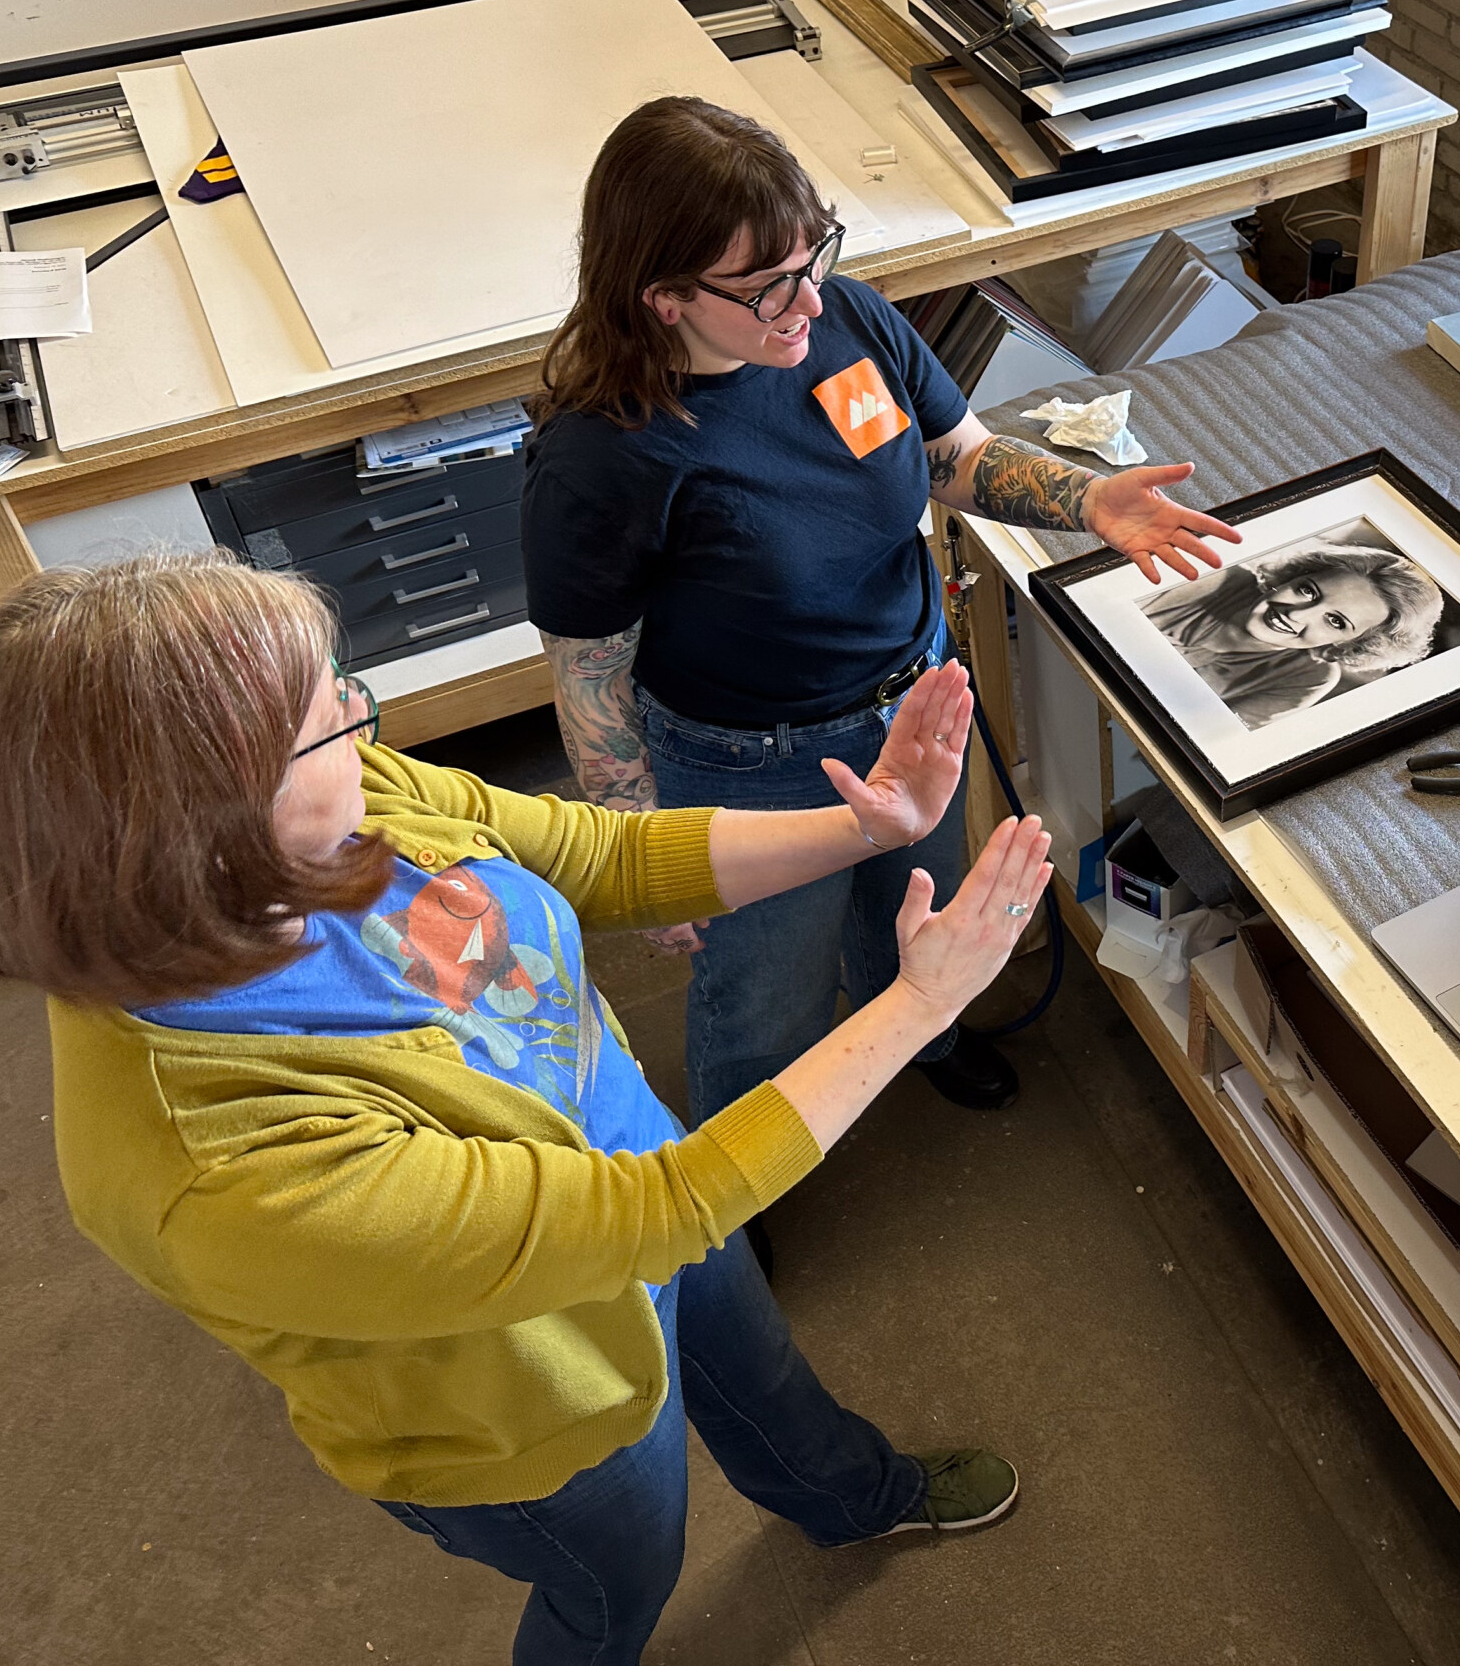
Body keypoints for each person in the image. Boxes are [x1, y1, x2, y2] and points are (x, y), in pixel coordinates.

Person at [0, 553, 1055, 1666]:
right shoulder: (210, 1160)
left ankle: (852, 1497)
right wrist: (917, 1005)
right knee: (618, 1585)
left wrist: (871, 824)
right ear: (199, 821)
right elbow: (663, 1211)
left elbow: (585, 855)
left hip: (634, 1164)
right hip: (531, 1409)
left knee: (762, 1378)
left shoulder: (345, 808)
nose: (365, 723)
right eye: (327, 719)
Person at [523, 96, 1242, 1128]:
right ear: (664, 296)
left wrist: (1085, 499)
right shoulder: (603, 453)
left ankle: (924, 1041)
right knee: (765, 994)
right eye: (768, 287)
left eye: (814, 256)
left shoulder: (848, 319)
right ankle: (733, 1186)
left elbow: (957, 459)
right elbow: (589, 670)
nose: (808, 304)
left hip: (915, 711)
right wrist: (641, 853)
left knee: (918, 918)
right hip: (748, 761)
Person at [1140, 537, 1449, 729]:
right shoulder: (1208, 574)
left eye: (1336, 622)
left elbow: (1207, 741)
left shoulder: (1309, 678)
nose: (1296, 615)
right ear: (1292, 577)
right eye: (1307, 590)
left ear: (1351, 644)